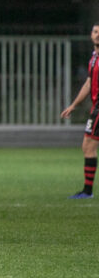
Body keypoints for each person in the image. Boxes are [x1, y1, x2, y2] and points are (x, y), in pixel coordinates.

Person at [59, 23, 99, 199]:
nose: (98, 35)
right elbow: (89, 83)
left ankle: (87, 192)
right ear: (91, 35)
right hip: (95, 107)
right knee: (87, 146)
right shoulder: (93, 58)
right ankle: (87, 191)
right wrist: (73, 105)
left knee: (89, 145)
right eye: (95, 31)